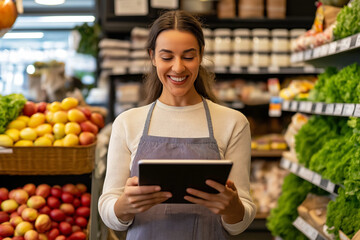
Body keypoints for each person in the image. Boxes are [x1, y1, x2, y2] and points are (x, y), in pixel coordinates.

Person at [98, 10, 256, 240]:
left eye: (188, 56)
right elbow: (108, 209)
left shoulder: (233, 122)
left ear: (201, 55)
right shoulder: (127, 123)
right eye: (167, 57)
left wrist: (232, 207)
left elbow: (239, 222)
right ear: (152, 56)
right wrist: (124, 205)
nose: (178, 67)